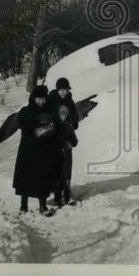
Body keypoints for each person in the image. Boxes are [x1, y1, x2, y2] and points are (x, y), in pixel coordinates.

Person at [13, 85, 57, 215]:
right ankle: (23, 206)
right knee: (25, 178)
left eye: (43, 98)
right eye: (39, 99)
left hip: (43, 150)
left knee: (42, 177)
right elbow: (20, 122)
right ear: (33, 98)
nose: (41, 101)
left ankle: (43, 206)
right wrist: (36, 122)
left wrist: (50, 128)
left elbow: (55, 127)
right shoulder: (26, 110)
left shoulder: (49, 110)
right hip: (28, 149)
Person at [48, 77, 79, 205]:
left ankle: (67, 194)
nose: (64, 92)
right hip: (53, 140)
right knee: (56, 168)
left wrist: (71, 122)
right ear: (57, 89)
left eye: (66, 89)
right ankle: (57, 194)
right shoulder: (50, 101)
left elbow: (75, 120)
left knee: (67, 166)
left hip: (66, 138)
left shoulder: (70, 102)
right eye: (62, 90)